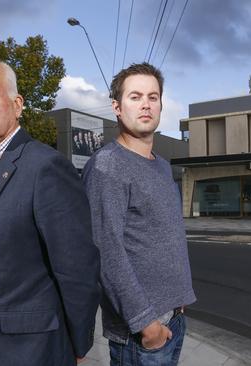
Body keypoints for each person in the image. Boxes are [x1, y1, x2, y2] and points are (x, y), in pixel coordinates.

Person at [0, 54, 100, 365]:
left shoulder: (46, 167)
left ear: (17, 104)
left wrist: (77, 347)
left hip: (30, 353)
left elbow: (78, 271)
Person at [82, 62, 196, 366]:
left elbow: (165, 233)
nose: (146, 104)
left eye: (153, 97)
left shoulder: (161, 164)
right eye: (135, 97)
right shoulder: (108, 166)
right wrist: (147, 326)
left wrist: (179, 295)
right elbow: (106, 252)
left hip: (173, 318)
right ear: (117, 107)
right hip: (141, 333)